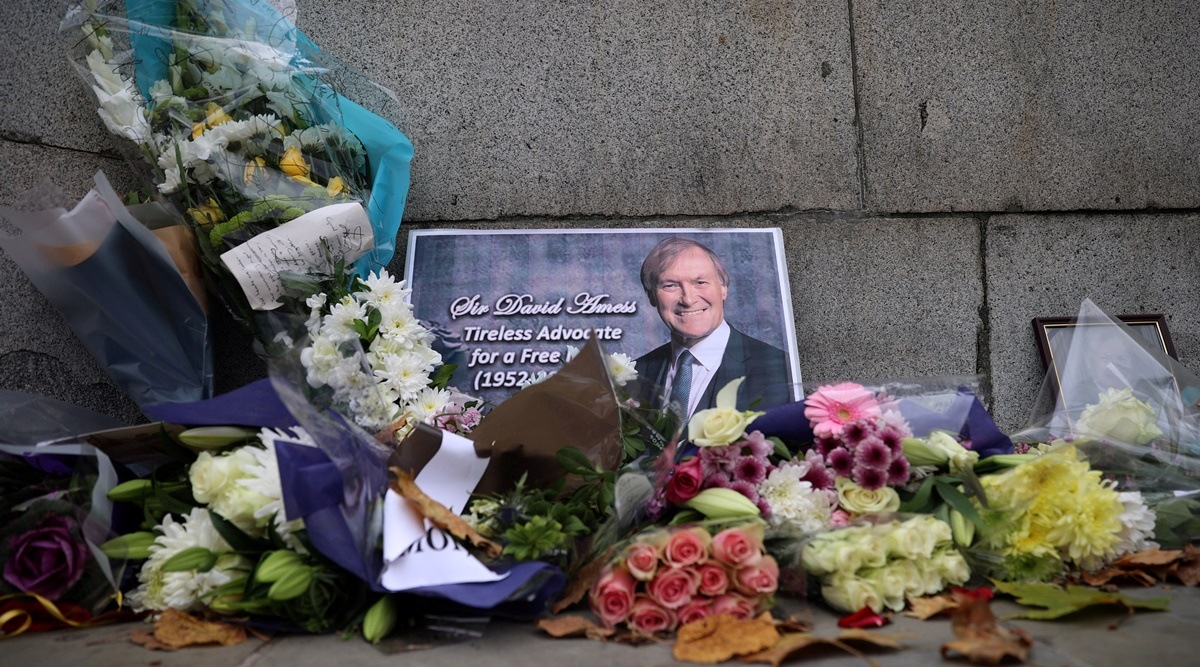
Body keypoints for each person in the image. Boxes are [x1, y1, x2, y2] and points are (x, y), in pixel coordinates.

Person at [631, 237, 791, 419]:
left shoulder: (778, 367)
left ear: (723, 288)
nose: (688, 299)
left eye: (700, 282)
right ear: (651, 296)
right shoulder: (635, 373)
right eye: (670, 285)